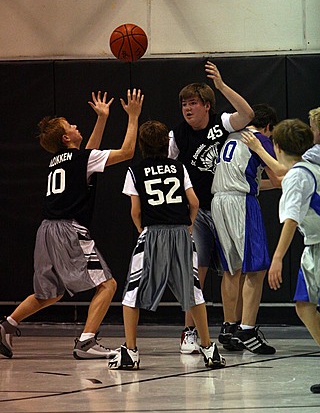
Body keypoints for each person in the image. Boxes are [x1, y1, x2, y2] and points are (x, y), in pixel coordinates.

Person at [0, 88, 144, 360]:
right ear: (66, 137)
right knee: (108, 285)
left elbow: (89, 153)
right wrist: (133, 117)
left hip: (46, 229)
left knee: (49, 293)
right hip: (68, 230)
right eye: (72, 126)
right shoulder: (81, 159)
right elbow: (126, 152)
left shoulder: (59, 160)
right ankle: (86, 341)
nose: (77, 126)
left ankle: (7, 324)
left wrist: (102, 119)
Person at [108, 120, 226, 370]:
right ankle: (209, 349)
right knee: (194, 292)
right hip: (181, 233)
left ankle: (131, 351)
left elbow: (135, 211)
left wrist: (143, 231)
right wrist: (189, 226)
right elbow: (193, 202)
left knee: (132, 294)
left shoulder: (134, 171)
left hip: (152, 233)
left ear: (141, 145)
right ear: (166, 144)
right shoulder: (178, 167)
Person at [168, 60, 254, 354]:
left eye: (192, 103)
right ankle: (189, 331)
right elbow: (170, 171)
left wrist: (221, 85)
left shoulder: (222, 122)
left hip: (226, 206)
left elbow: (248, 114)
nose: (187, 109)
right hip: (198, 212)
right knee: (197, 271)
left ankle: (235, 327)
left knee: (234, 270)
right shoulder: (177, 135)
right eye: (183, 104)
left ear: (206, 105)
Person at [242, 118, 320, 393]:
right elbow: (283, 169)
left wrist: (277, 258)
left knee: (306, 305)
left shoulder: (300, 174)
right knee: (304, 304)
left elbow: (291, 219)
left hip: (318, 245)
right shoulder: (307, 166)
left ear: (277, 144)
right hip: (314, 244)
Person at [211, 104, 284, 354]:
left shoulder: (232, 136)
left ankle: (229, 327)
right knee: (257, 268)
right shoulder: (261, 139)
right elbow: (280, 176)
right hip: (241, 203)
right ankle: (248, 330)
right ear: (267, 127)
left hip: (219, 200)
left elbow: (249, 180)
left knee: (232, 269)